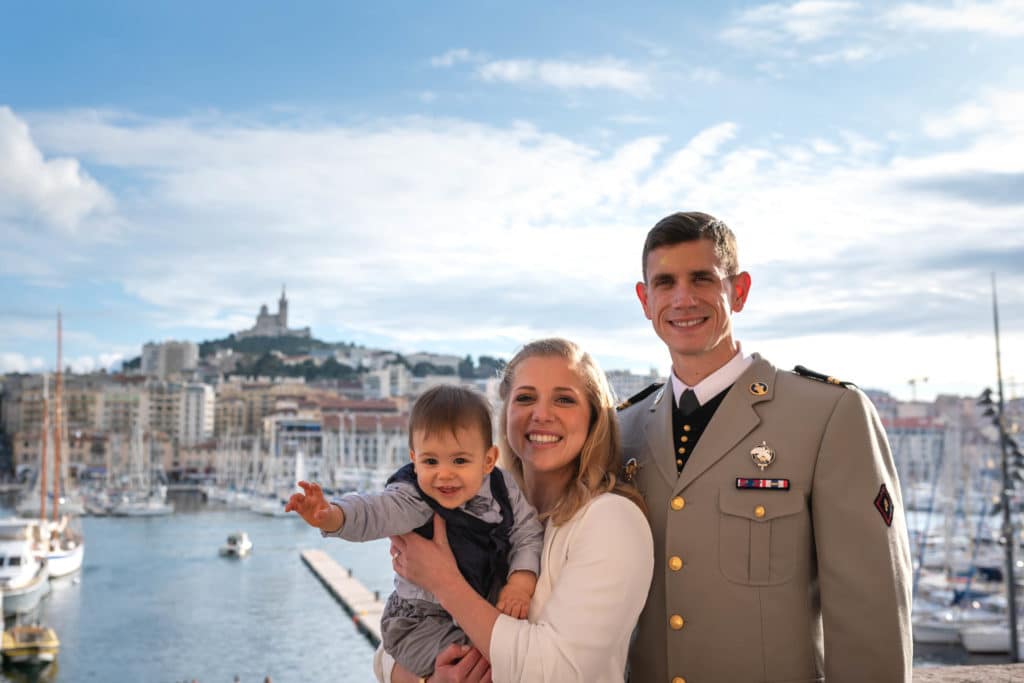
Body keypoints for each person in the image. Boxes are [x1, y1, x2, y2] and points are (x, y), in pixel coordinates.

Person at [618, 211, 913, 682]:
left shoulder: (827, 414)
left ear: (739, 291)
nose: (683, 298)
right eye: (664, 282)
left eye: (702, 279)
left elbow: (870, 605)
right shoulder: (623, 429)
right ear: (644, 299)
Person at [385, 338, 654, 682]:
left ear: (594, 418)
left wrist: (443, 581)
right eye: (525, 398)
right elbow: (388, 651)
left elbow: (555, 671)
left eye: (564, 399)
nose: (541, 415)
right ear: (506, 413)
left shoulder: (612, 521)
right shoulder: (482, 510)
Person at [285, 384, 545, 679]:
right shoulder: (413, 497)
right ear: (414, 459)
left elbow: (527, 532)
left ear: (488, 460)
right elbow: (374, 511)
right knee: (485, 664)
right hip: (419, 621)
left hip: (473, 611)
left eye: (459, 460)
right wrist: (330, 515)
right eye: (430, 461)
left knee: (498, 657)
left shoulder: (504, 489)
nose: (444, 474)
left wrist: (521, 583)